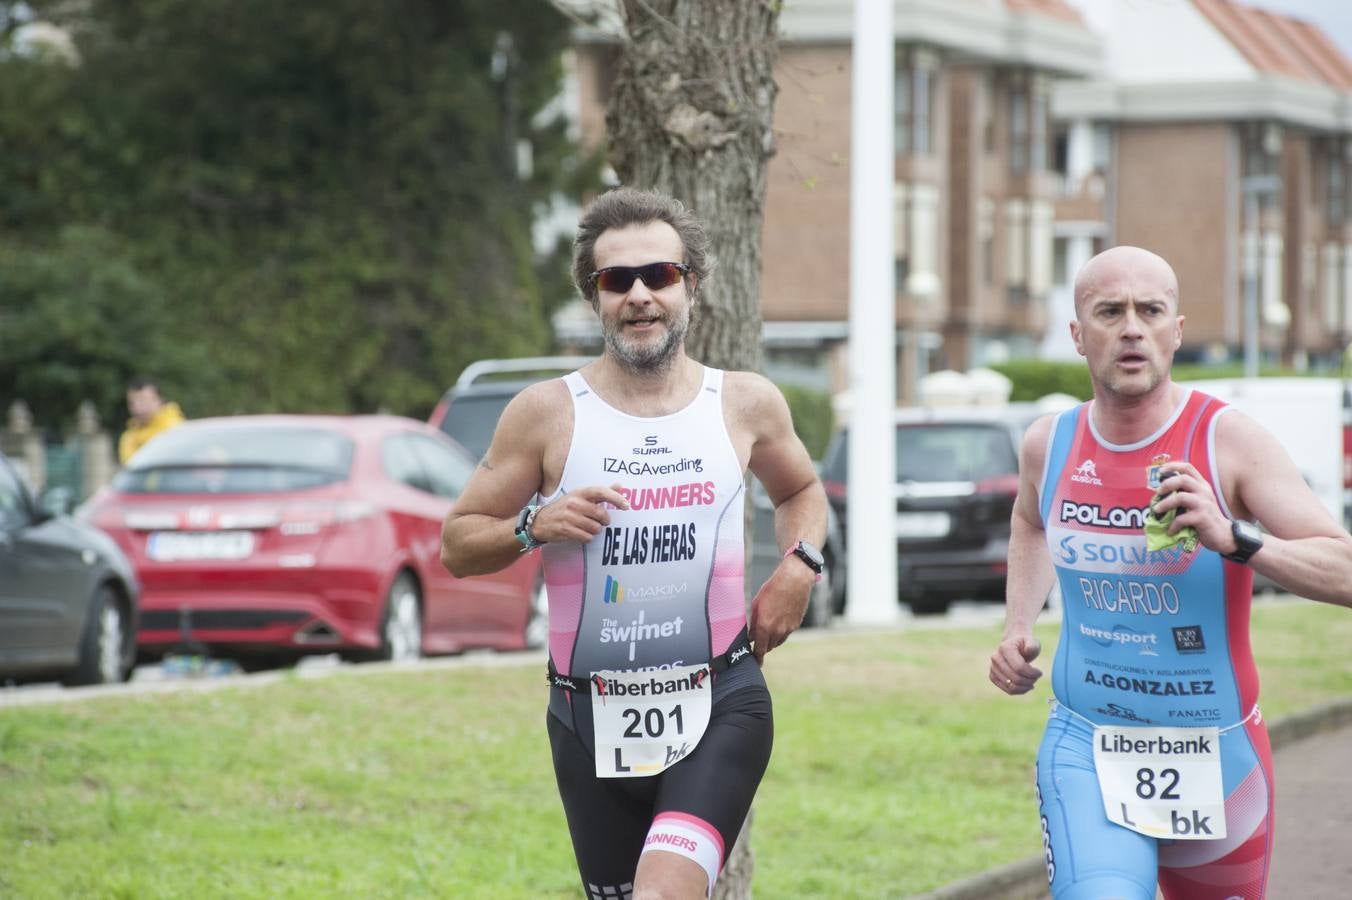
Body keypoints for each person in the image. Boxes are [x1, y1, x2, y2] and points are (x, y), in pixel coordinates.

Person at [440, 187, 827, 900]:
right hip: (587, 716)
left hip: (720, 701)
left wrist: (800, 568)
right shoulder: (546, 414)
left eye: (661, 275)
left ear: (693, 287)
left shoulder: (744, 402)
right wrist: (535, 525)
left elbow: (801, 492)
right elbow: (458, 544)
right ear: (594, 297)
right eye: (618, 280)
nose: (641, 295)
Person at [988, 245, 1352, 899]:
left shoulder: (1229, 441)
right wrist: (1018, 622)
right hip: (1086, 742)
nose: (1131, 327)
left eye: (1150, 310)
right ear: (1077, 334)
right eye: (1110, 311)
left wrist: (1235, 538)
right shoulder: (1050, 441)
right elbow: (1031, 521)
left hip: (1218, 754)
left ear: (1175, 331)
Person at [118, 376, 185, 464]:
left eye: (144, 401)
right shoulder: (128, 437)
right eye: (132, 402)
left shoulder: (177, 430)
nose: (137, 408)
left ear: (160, 400)